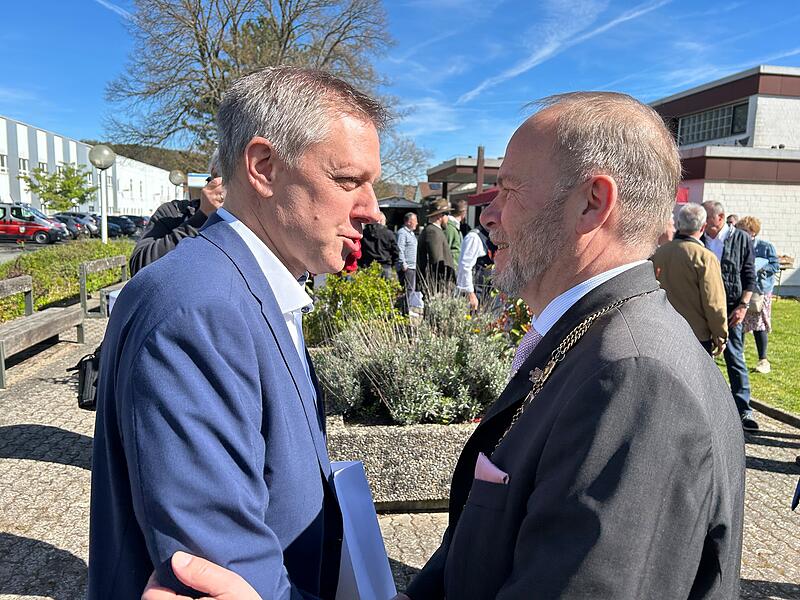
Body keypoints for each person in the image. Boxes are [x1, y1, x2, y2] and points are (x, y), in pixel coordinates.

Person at [146, 91, 747, 600]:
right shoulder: (600, 342)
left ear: (594, 202)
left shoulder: (635, 377)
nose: (488, 215)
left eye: (509, 190)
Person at [89, 66, 386, 599]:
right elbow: (223, 568)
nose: (372, 210)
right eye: (347, 181)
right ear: (264, 167)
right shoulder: (201, 308)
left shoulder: (251, 286)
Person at [702, 200, 759, 431]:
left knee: (735, 357)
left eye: (709, 219)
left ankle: (743, 408)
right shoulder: (701, 238)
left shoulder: (741, 239)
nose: (705, 224)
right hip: (704, 308)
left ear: (721, 217)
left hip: (733, 307)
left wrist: (743, 305)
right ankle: (708, 408)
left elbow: (749, 275)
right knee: (704, 357)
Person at [129, 150, 225, 276]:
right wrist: (201, 218)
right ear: (215, 174)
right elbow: (139, 266)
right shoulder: (175, 213)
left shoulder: (253, 222)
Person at [651, 203, 727, 356]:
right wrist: (721, 335)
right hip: (695, 336)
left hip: (662, 331)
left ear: (679, 224)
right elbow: (713, 302)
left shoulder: (658, 254)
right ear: (703, 227)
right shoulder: (705, 258)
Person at [737, 216, 780, 374]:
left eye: (745, 231)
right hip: (743, 289)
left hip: (760, 292)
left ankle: (763, 359)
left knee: (759, 325)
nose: (742, 234)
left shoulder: (765, 246)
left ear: (753, 232)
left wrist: (761, 268)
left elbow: (775, 265)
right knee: (740, 322)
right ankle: (739, 354)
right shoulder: (739, 244)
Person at [416, 199, 456, 290]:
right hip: (438, 286)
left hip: (437, 286)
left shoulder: (433, 230)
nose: (448, 218)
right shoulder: (433, 232)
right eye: (447, 214)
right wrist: (443, 285)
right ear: (440, 215)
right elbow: (436, 262)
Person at [456, 223, 493, 311]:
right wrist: (470, 293)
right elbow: (465, 267)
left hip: (488, 293)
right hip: (476, 293)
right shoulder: (474, 237)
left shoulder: (492, 237)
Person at [359, 211, 399, 278]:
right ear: (380, 220)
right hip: (385, 266)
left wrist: (361, 264)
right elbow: (395, 251)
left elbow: (359, 250)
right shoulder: (388, 234)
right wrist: (393, 263)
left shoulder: (363, 234)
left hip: (368, 265)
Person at [396, 212, 418, 308]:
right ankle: (402, 310)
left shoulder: (411, 233)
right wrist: (403, 263)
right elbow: (400, 248)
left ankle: (406, 309)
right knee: (406, 290)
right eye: (415, 221)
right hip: (407, 267)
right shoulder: (402, 233)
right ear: (409, 222)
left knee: (410, 289)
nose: (417, 223)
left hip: (412, 266)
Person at [445, 199, 467, 265]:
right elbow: (446, 249)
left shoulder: (455, 226)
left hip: (455, 266)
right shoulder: (450, 227)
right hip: (452, 267)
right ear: (463, 212)